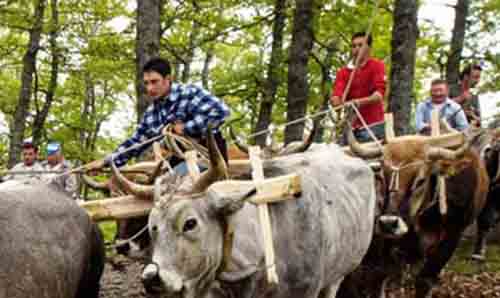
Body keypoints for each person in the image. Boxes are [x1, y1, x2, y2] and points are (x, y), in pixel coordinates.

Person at [85, 57, 230, 172]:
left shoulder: (189, 93)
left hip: (210, 157)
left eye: (154, 82)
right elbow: (136, 143)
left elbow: (222, 112)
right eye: (146, 83)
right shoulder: (151, 114)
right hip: (180, 158)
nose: (150, 88)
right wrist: (105, 162)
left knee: (173, 183)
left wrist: (186, 128)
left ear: (168, 79)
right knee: (158, 184)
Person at [331, 32, 386, 143]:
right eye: (354, 46)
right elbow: (337, 94)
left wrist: (357, 102)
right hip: (350, 129)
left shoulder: (377, 65)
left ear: (369, 48)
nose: (356, 49)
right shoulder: (343, 72)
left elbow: (379, 95)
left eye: (360, 45)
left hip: (373, 127)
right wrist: (336, 100)